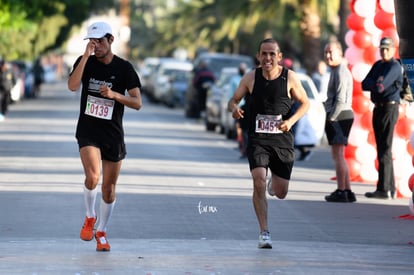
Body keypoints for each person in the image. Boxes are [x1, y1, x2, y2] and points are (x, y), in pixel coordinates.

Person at [228, 38, 310, 249]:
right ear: (258, 56)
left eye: (272, 54)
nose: (268, 58)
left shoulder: (289, 77)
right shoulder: (250, 77)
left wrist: (290, 121)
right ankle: (264, 232)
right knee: (258, 180)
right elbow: (233, 99)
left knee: (281, 193)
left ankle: (275, 182)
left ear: (279, 57)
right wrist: (234, 109)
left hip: (282, 139)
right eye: (264, 53)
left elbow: (305, 103)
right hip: (258, 139)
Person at [67, 21, 142, 251]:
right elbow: (72, 86)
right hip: (88, 130)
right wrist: (85, 57)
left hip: (112, 133)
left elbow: (137, 103)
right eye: (92, 41)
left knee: (108, 190)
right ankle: (90, 217)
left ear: (111, 40)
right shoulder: (85, 62)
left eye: (100, 41)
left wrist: (113, 95)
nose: (96, 45)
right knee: (93, 176)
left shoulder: (125, 68)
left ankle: (102, 232)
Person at [361, 37, 403, 200]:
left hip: (389, 107)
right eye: (382, 49)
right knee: (381, 148)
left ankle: (385, 188)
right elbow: (365, 83)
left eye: (387, 49)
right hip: (378, 108)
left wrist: (376, 83)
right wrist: (375, 83)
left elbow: (381, 86)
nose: (384, 51)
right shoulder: (379, 65)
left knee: (385, 148)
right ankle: (387, 188)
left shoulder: (394, 66)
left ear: (393, 50)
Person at [323, 41, 355, 203]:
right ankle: (348, 190)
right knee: (339, 155)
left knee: (338, 155)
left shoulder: (341, 70)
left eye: (331, 52)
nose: (328, 56)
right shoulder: (336, 70)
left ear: (340, 53)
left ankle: (341, 190)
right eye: (326, 53)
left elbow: (341, 99)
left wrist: (332, 117)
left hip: (340, 115)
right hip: (340, 114)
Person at [0, 57, 16, 121]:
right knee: (0, 100)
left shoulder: (9, 70)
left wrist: (12, 86)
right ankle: (1, 113)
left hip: (7, 89)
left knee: (6, 101)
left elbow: (14, 80)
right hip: (1, 89)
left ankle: (4, 112)